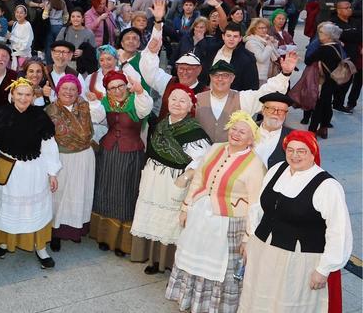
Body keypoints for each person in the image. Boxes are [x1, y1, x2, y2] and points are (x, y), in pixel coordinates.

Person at [239, 130, 353, 313]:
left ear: (313, 153)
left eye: (302, 151)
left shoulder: (328, 186)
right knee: (258, 298)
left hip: (297, 260)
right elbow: (259, 207)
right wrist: (250, 238)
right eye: (290, 150)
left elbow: (338, 231)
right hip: (263, 252)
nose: (294, 155)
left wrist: (324, 269)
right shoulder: (277, 170)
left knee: (287, 304)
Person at [166, 111, 266, 313]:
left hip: (228, 221)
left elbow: (256, 205)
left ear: (251, 139)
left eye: (243, 132)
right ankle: (190, 299)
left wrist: (248, 238)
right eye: (234, 129)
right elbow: (198, 179)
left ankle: (213, 307)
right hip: (200, 214)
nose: (236, 134)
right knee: (193, 257)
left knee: (220, 267)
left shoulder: (255, 164)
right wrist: (186, 207)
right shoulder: (215, 148)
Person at [130, 84, 211, 275]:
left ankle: (166, 262)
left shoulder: (193, 129)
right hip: (153, 177)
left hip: (173, 180)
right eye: (173, 99)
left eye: (183, 100)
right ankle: (152, 259)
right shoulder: (162, 122)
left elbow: (202, 159)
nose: (177, 103)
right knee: (152, 215)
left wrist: (186, 175)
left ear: (191, 105)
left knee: (170, 220)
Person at [0, 78, 61, 268]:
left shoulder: (40, 116)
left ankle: (40, 248)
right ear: (12, 95)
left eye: (27, 94)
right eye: (19, 94)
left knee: (34, 208)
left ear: (33, 96)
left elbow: (49, 146)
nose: (23, 98)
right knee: (7, 207)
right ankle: (5, 242)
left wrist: (52, 172)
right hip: (8, 170)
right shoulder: (0, 114)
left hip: (34, 170)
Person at [88, 71, 153, 256]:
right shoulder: (105, 103)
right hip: (108, 152)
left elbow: (145, 110)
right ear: (107, 90)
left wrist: (140, 92)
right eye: (112, 88)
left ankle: (121, 242)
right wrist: (93, 101)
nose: (117, 91)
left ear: (126, 86)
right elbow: (96, 118)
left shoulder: (136, 101)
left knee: (125, 193)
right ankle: (104, 237)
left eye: (120, 86)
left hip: (130, 153)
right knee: (105, 190)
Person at [44, 74, 95, 249]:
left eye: (73, 89)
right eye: (65, 88)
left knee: (79, 192)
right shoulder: (49, 111)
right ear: (58, 90)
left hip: (84, 156)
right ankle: (55, 232)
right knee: (59, 195)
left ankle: (75, 229)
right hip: (61, 157)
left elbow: (90, 132)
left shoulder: (85, 107)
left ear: (78, 91)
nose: (68, 92)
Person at [304, 22, 345, 139]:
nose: (319, 34)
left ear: (328, 36)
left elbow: (308, 60)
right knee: (327, 104)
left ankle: (311, 132)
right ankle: (324, 129)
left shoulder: (323, 49)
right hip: (334, 80)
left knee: (319, 106)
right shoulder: (338, 46)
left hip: (324, 81)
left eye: (321, 32)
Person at [244, 18, 280, 86]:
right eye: (260, 28)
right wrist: (269, 46)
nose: (264, 30)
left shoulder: (265, 39)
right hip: (258, 75)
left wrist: (273, 42)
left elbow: (274, 53)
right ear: (254, 29)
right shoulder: (251, 42)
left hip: (269, 73)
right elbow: (261, 59)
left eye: (265, 28)